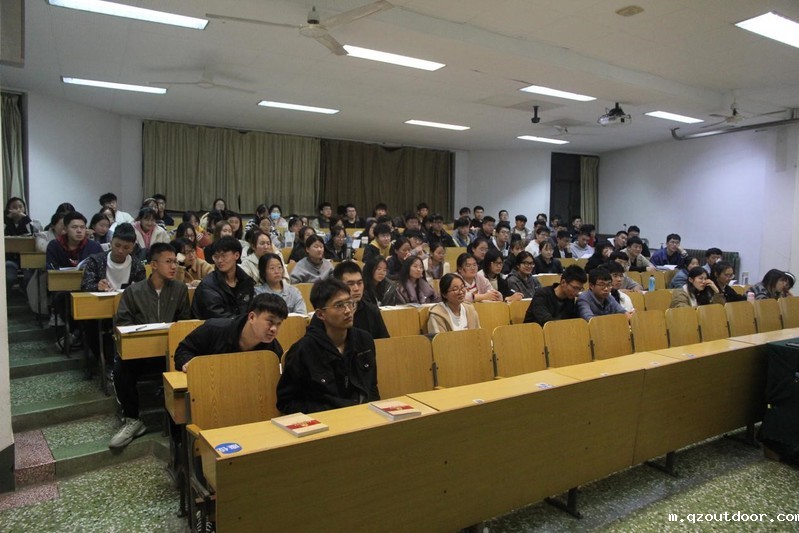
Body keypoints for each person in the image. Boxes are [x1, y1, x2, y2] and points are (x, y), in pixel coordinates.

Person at [109, 242, 190, 448]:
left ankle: (181, 427)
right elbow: (123, 324)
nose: (174, 266)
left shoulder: (180, 289)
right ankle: (132, 419)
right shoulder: (133, 292)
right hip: (142, 354)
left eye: (175, 262)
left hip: (170, 352)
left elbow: (185, 322)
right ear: (154, 265)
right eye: (168, 262)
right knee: (121, 369)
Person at [276, 278, 380, 414]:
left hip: (364, 416)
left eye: (350, 303)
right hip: (325, 419)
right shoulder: (303, 350)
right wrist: (327, 412)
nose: (348, 310)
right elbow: (286, 402)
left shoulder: (364, 340)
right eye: (339, 305)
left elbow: (371, 388)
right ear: (320, 314)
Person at [80, 223, 146, 367]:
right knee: (92, 326)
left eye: (126, 247)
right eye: (117, 245)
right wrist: (97, 286)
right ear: (111, 242)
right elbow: (85, 286)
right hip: (99, 311)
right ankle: (106, 361)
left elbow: (143, 291)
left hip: (127, 311)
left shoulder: (137, 266)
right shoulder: (95, 261)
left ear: (133, 247)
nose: (120, 250)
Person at [175, 293, 287, 372]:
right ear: (252, 317)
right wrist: (188, 363)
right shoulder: (214, 329)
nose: (274, 329)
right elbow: (183, 350)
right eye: (270, 321)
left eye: (278, 324)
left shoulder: (273, 349)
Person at [192, 236, 254, 319]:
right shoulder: (208, 285)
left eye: (223, 256)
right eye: (216, 256)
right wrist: (242, 322)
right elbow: (215, 315)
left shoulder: (246, 281)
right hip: (215, 326)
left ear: (236, 255)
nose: (219, 260)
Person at [332, 261, 389, 339]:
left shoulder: (372, 311)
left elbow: (384, 341)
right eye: (350, 284)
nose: (356, 288)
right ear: (338, 285)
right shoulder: (330, 312)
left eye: (359, 283)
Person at [4, 197, 43, 290]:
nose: (18, 210)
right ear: (8, 209)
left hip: (27, 258)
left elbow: (37, 232)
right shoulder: (4, 222)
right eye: (14, 207)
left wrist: (25, 218)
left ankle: (25, 294)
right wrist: (6, 218)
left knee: (29, 278)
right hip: (10, 258)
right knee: (10, 277)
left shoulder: (30, 222)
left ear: (24, 209)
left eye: (20, 207)